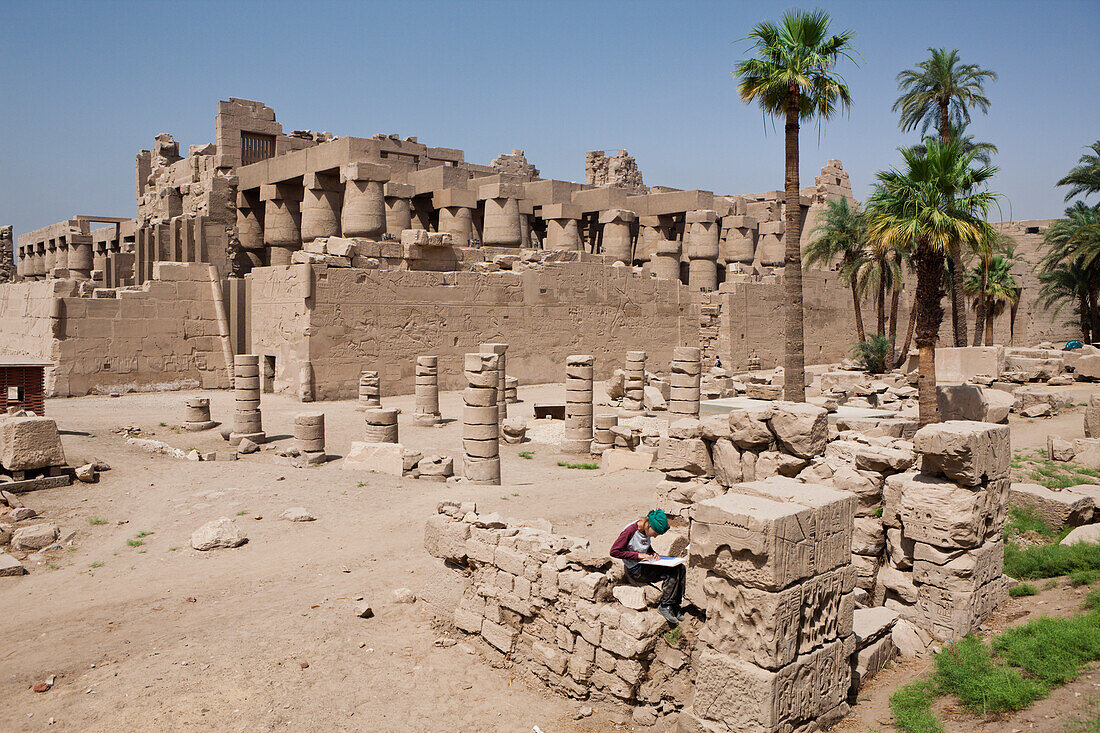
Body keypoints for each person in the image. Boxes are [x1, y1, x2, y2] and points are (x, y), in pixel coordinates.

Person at [609, 509, 685, 626]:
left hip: (644, 564)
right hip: (636, 570)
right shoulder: (630, 531)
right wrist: (638, 555)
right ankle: (665, 605)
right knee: (671, 572)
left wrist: (652, 551)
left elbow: (644, 545)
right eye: (655, 533)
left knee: (681, 568)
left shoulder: (644, 529)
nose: (654, 537)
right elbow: (614, 551)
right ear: (648, 525)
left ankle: (675, 605)